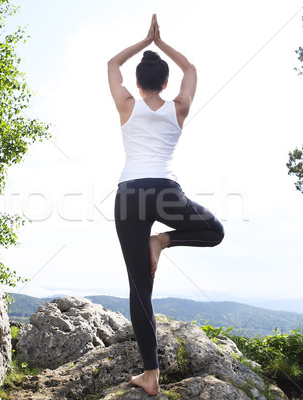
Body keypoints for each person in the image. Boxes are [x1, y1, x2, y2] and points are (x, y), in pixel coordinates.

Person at [107, 14, 225, 395]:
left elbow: (112, 65)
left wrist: (145, 42)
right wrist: (163, 43)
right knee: (215, 231)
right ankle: (165, 240)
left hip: (129, 196)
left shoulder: (126, 104)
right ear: (165, 82)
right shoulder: (179, 107)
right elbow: (190, 67)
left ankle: (151, 375)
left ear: (138, 84)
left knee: (139, 286)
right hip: (166, 192)